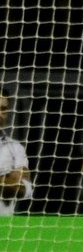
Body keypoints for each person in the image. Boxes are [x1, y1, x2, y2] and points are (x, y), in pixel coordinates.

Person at [0, 88, 33, 216]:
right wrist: (8, 177)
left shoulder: (15, 147)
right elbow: (14, 184)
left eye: (3, 109)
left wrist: (14, 184)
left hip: (4, 230)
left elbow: (25, 189)